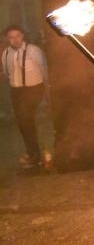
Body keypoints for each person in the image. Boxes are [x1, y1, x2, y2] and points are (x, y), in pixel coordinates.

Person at [1, 24, 48, 170]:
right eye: (11, 37)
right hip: (16, 91)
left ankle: (35, 155)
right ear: (7, 39)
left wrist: (47, 89)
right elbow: (7, 73)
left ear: (22, 36)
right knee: (22, 122)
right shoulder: (6, 54)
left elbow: (44, 69)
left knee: (26, 119)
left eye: (17, 36)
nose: (15, 40)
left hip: (34, 88)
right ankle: (32, 152)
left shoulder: (34, 50)